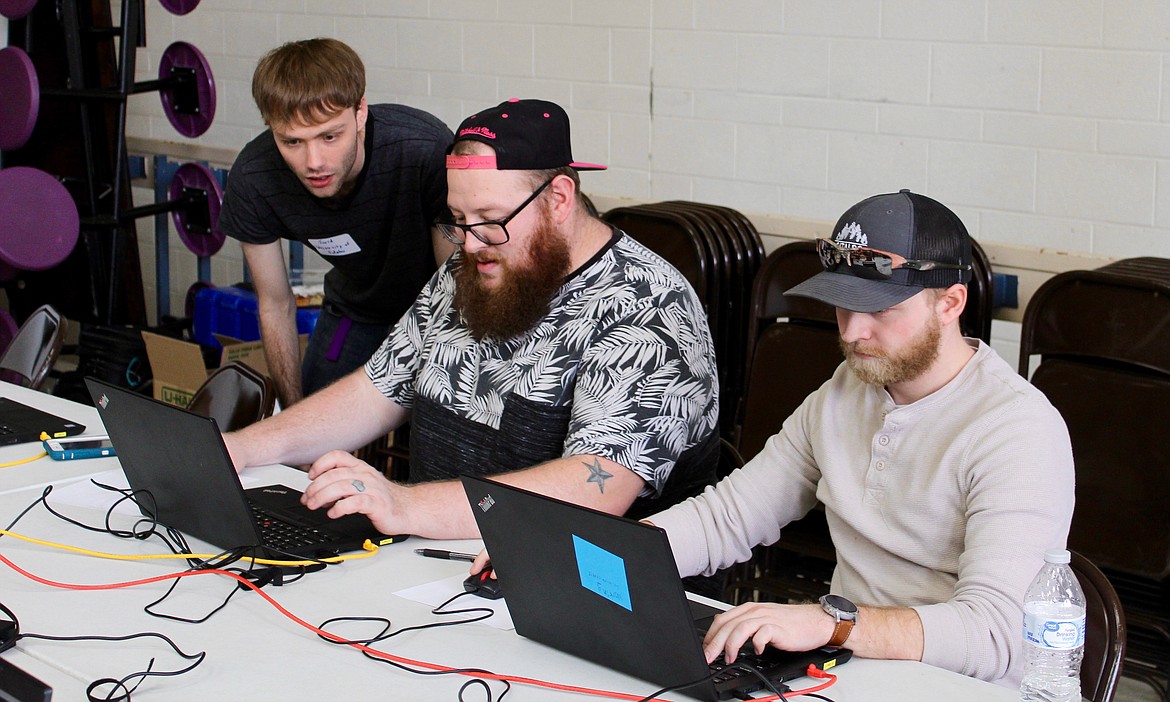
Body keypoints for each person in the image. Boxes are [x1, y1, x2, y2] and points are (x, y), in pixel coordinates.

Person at [225, 98, 720, 539]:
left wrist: (405, 503)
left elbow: (598, 485)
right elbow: (374, 392)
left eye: (490, 220)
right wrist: (243, 448)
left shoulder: (648, 307)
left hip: (592, 599)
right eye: (458, 220)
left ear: (560, 199)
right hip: (445, 567)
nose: (470, 243)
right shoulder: (474, 267)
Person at [645, 190, 1075, 687]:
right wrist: (603, 552)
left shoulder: (1016, 430)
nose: (852, 333)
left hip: (958, 685)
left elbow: (995, 634)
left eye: (881, 309)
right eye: (842, 306)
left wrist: (832, 623)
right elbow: (729, 516)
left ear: (950, 303)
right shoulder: (845, 391)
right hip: (849, 667)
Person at [218, 38, 455, 408]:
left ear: (360, 111)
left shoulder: (423, 148)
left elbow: (453, 290)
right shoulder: (255, 177)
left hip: (434, 312)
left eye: (330, 136)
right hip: (355, 310)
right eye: (292, 141)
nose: (314, 161)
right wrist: (292, 419)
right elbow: (276, 304)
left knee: (436, 434)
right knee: (310, 421)